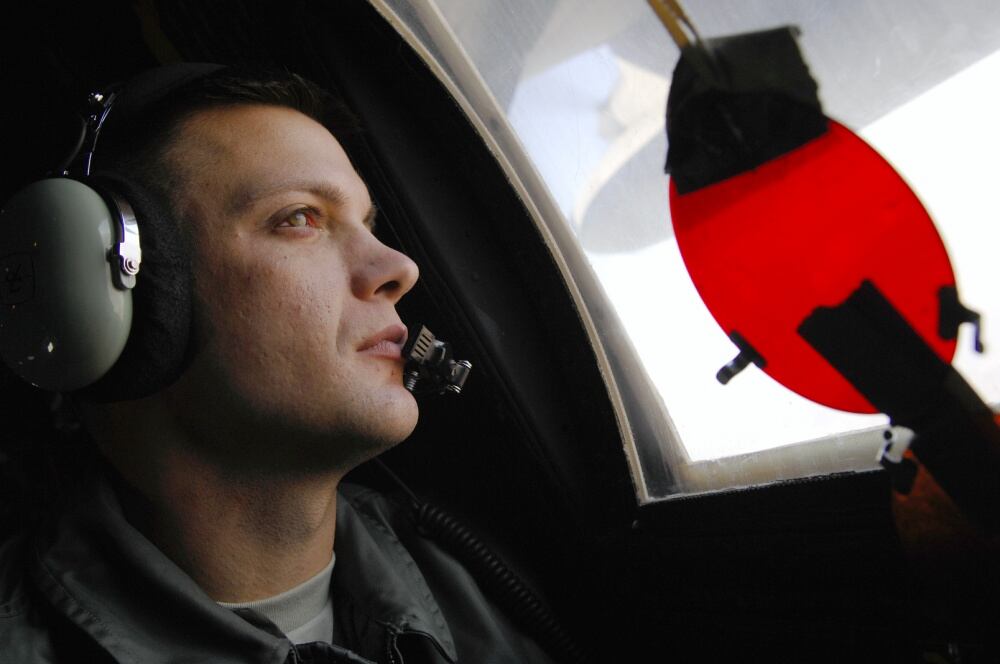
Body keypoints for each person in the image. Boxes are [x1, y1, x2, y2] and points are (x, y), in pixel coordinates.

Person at [0, 64, 558, 663]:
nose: (398, 267)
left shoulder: (477, 597)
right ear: (114, 296)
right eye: (300, 219)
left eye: (367, 225)